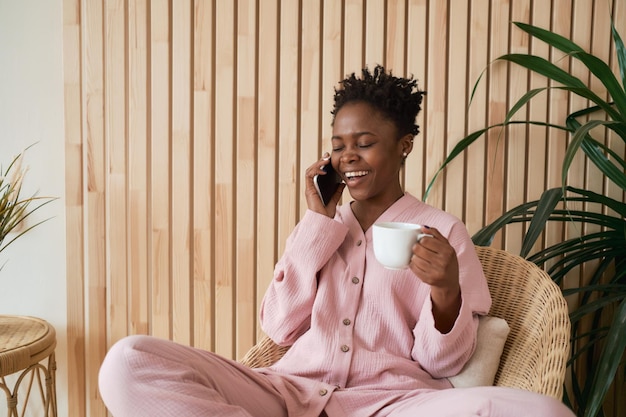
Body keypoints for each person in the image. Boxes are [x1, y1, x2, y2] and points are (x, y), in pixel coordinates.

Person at [98, 65, 575, 417]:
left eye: (364, 142)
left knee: (542, 413)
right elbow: (279, 327)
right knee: (127, 360)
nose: (348, 157)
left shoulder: (443, 232)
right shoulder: (322, 227)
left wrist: (445, 293)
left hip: (393, 404)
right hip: (287, 394)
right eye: (338, 144)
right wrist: (316, 223)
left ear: (404, 144)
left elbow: (441, 361)